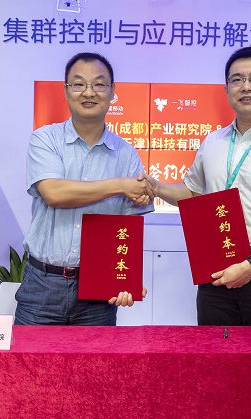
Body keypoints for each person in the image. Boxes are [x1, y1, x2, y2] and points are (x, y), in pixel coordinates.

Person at [146, 47, 251, 326]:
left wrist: (250, 265)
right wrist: (157, 187)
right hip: (216, 271)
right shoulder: (213, 142)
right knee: (215, 351)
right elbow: (192, 194)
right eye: (237, 79)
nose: (246, 87)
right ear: (226, 90)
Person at [15, 52, 155, 326]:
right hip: (42, 286)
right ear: (66, 91)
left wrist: (125, 278)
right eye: (78, 84)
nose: (89, 92)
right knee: (31, 356)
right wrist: (119, 185)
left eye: (99, 84)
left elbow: (127, 227)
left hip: (98, 292)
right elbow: (54, 193)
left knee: (96, 357)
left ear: (112, 91)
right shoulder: (45, 139)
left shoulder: (126, 154)